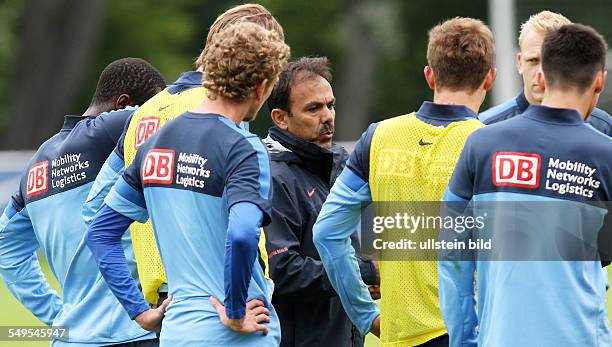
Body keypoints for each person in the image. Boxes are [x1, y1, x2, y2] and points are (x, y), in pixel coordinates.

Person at [86, 21, 290, 346]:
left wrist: (138, 311)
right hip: (238, 334)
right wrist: (236, 312)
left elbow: (100, 233)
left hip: (177, 332)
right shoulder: (243, 147)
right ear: (262, 86)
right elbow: (241, 235)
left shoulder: (155, 143)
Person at [313, 17, 496, 347]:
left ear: (430, 75)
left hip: (399, 336)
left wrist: (365, 314)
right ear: (490, 79)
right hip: (473, 334)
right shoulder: (492, 145)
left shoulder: (379, 136)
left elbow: (326, 231)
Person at [440, 24, 611, 346]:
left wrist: (463, 337)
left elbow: (451, 250)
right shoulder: (606, 154)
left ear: (542, 77)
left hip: (500, 337)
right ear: (599, 79)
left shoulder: (481, 143)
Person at [0, 58, 166, 346]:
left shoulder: (37, 165)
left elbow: (6, 247)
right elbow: (170, 115)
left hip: (73, 338)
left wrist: (61, 315)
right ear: (124, 105)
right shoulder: (118, 125)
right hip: (137, 331)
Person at [263, 56, 378, 347]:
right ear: (280, 118)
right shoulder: (273, 176)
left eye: (330, 105)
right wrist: (364, 273)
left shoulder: (340, 162)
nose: (327, 115)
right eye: (313, 108)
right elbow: (281, 271)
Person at [479, 10, 612, 135]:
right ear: (520, 63)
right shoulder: (485, 127)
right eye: (533, 60)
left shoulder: (603, 127)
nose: (541, 72)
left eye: (552, 62)